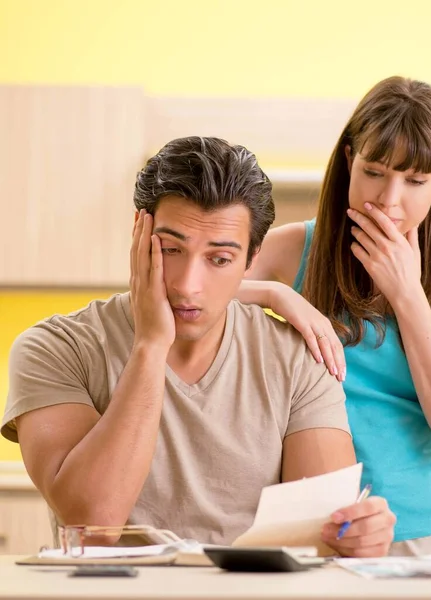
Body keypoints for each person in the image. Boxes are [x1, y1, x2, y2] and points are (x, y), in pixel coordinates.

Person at [1, 136, 396, 557]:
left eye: (220, 259)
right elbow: (93, 527)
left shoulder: (299, 359)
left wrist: (356, 537)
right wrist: (151, 346)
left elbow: (320, 539)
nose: (188, 285)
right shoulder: (55, 350)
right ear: (139, 235)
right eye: (171, 249)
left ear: (251, 259)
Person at [241, 76, 431, 555]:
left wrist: (408, 295)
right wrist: (278, 295)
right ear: (348, 160)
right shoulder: (295, 250)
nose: (389, 199)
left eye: (416, 181)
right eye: (374, 171)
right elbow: (189, 297)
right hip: (323, 534)